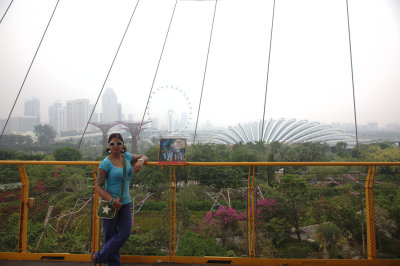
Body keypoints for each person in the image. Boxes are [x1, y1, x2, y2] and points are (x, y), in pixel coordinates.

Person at [92, 133, 148, 266]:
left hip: (125, 202)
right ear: (108, 146)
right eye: (112, 143)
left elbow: (144, 156)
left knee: (124, 233)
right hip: (109, 204)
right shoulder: (105, 163)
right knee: (110, 236)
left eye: (118, 143)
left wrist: (140, 161)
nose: (115, 146)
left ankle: (98, 256)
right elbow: (98, 186)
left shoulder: (127, 157)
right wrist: (111, 200)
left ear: (123, 145)